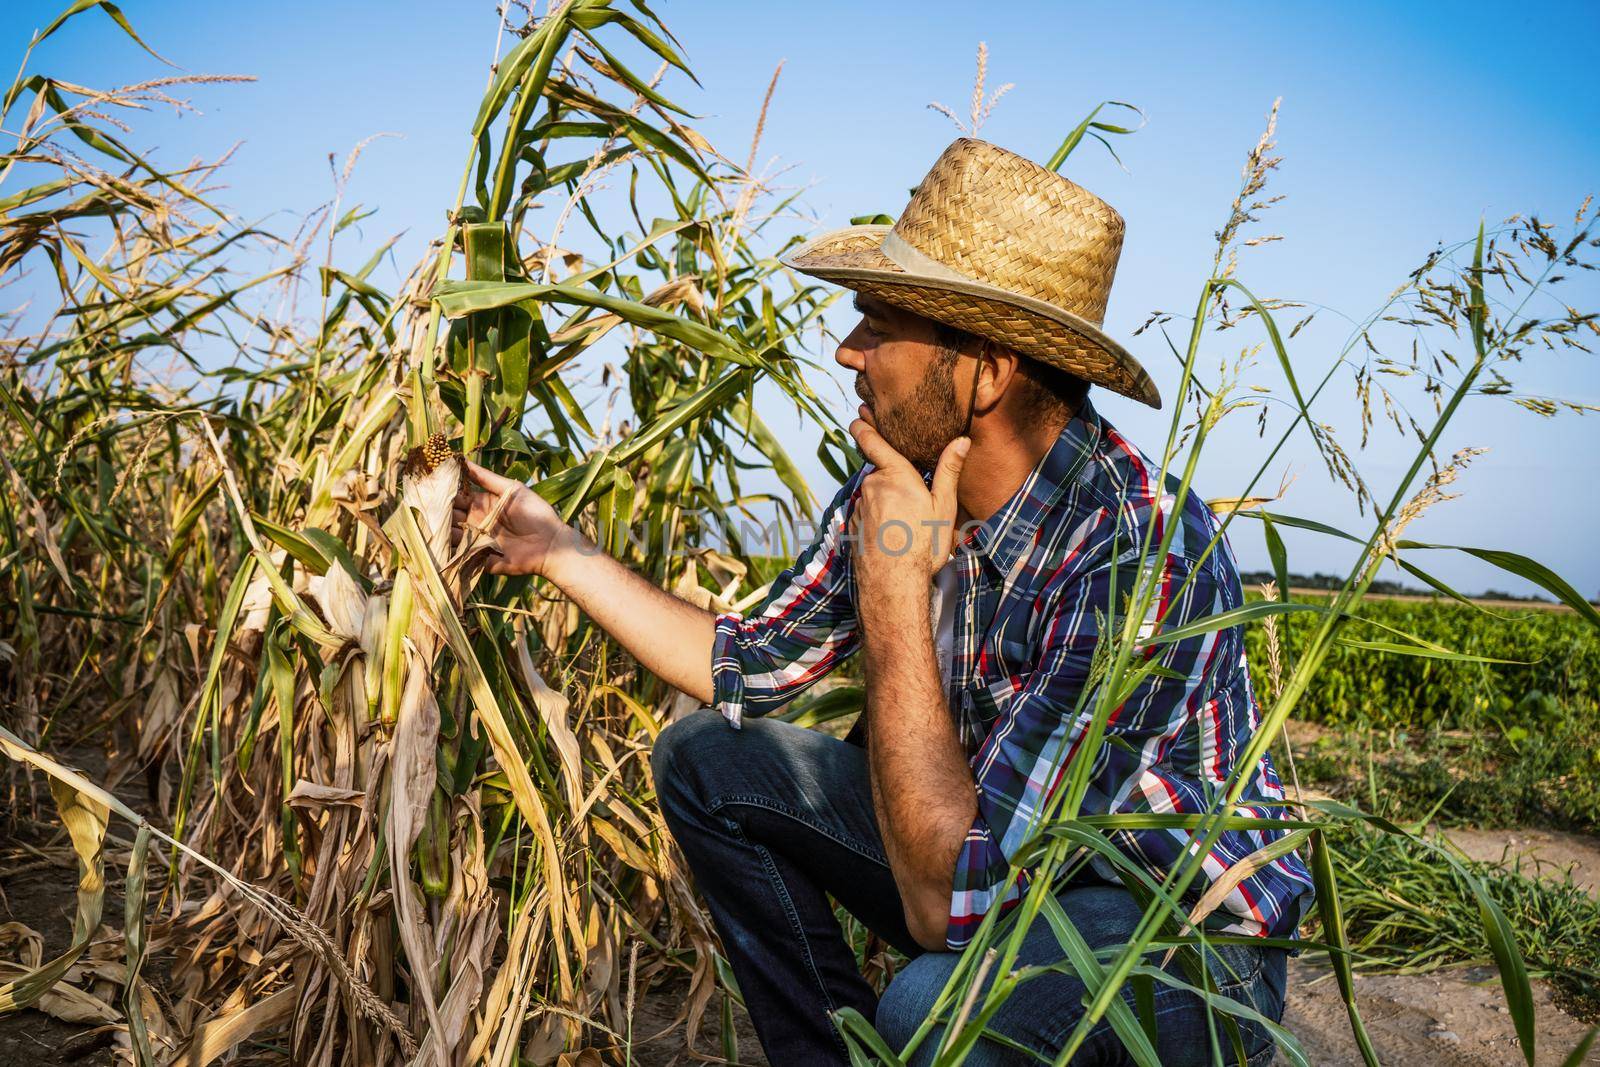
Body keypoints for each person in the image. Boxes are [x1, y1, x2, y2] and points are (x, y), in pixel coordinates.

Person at [453, 138, 1313, 1066]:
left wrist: (898, 597)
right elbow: (749, 658)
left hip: (1174, 936)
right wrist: (558, 550)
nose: (847, 350)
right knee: (705, 758)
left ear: (985, 369)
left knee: (933, 1008)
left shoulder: (1135, 550)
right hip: (996, 870)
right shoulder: (893, 490)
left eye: (878, 323)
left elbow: (950, 902)